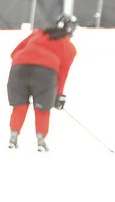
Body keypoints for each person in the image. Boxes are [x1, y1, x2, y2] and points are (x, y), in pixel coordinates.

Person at [7, 14, 77, 153]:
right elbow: (62, 74)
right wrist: (58, 95)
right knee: (42, 109)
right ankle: (41, 141)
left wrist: (24, 62)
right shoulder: (69, 48)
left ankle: (13, 138)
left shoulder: (37, 33)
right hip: (46, 74)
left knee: (19, 106)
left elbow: (14, 52)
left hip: (19, 70)